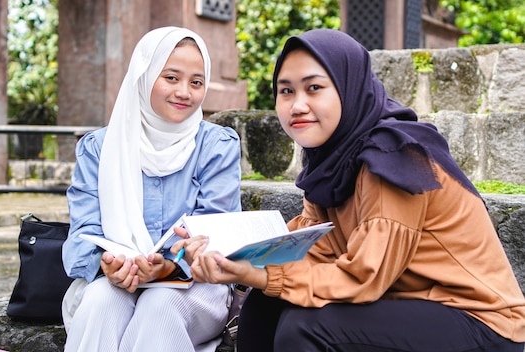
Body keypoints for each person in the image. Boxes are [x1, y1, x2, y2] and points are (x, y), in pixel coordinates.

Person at [183, 29, 525, 351]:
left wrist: (262, 274)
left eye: (313, 88)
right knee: (266, 302)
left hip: (481, 320)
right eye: (286, 91)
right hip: (407, 301)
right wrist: (225, 253)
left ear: (349, 86)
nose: (297, 105)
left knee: (305, 327)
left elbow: (364, 276)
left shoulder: (391, 159)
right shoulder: (332, 158)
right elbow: (311, 246)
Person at [61, 26, 242, 352]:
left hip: (195, 285)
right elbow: (82, 234)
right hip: (116, 280)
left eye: (196, 82)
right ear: (143, 76)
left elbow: (217, 232)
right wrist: (110, 265)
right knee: (99, 304)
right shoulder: (100, 149)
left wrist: (168, 267)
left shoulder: (216, 146)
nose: (184, 92)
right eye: (171, 77)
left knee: (159, 306)